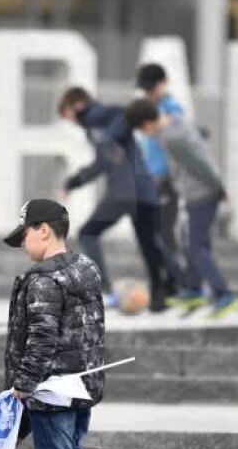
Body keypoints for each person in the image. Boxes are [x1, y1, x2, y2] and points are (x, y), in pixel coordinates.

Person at [2, 199, 130, 449]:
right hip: (83, 381)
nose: (24, 244)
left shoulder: (43, 278)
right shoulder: (86, 267)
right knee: (69, 448)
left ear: (43, 230)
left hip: (52, 385)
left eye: (25, 234)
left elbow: (42, 337)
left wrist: (25, 382)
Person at [60, 86, 183, 312]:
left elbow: (124, 117)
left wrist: (108, 141)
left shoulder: (100, 117)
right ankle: (175, 289)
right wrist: (74, 181)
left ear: (77, 106)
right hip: (144, 191)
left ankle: (103, 291)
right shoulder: (99, 123)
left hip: (125, 191)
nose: (72, 123)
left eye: (69, 117)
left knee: (89, 232)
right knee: (151, 245)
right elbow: (101, 163)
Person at [127, 99, 238, 318]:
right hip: (199, 192)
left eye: (143, 130)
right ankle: (195, 290)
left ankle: (225, 295)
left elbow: (199, 163)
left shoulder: (171, 138)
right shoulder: (177, 122)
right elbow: (201, 135)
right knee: (192, 241)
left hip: (202, 193)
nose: (146, 135)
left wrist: (220, 187)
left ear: (148, 123)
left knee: (197, 246)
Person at [135, 62, 185, 280]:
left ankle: (175, 282)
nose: (149, 93)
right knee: (153, 233)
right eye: (146, 89)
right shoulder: (149, 106)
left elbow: (178, 126)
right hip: (151, 178)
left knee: (165, 233)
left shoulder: (172, 107)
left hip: (168, 178)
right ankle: (164, 282)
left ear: (163, 84)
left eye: (152, 88)